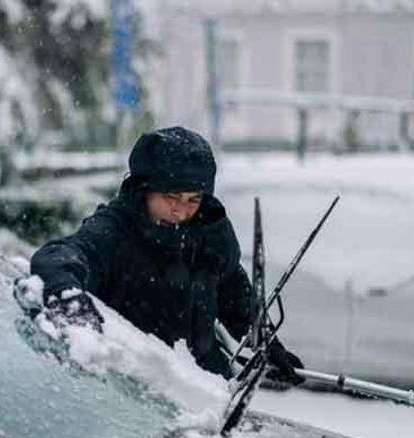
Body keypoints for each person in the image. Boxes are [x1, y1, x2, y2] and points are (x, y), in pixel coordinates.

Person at [30, 126, 303, 381]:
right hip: (133, 388)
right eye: (171, 197)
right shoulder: (114, 230)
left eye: (192, 199)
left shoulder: (210, 230)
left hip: (209, 389)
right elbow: (59, 256)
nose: (181, 211)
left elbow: (232, 290)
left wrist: (265, 342)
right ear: (144, 189)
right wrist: (68, 298)